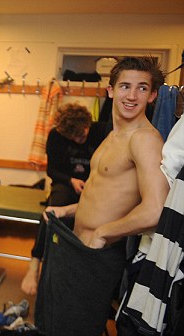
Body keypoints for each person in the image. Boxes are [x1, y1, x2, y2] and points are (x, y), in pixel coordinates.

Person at [34, 57, 169, 335]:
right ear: (110, 91)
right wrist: (68, 210)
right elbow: (104, 194)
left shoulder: (144, 139)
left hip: (99, 253)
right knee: (59, 321)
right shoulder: (112, 135)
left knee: (79, 327)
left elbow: (156, 210)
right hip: (78, 245)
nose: (132, 96)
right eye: (125, 86)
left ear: (153, 94)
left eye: (142, 88)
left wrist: (104, 232)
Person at [20, 102, 110, 295]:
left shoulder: (101, 130)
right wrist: (71, 180)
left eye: (83, 134)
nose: (80, 139)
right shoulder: (56, 136)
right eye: (75, 137)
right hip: (66, 184)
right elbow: (51, 170)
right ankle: (35, 263)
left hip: (96, 185)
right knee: (51, 212)